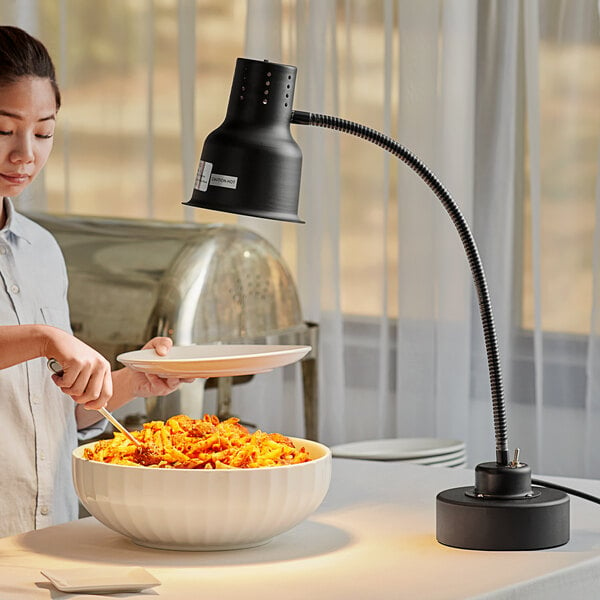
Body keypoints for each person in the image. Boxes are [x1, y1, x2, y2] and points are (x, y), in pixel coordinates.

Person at [0, 25, 191, 537]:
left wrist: (129, 383)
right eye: (3, 130)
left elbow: (51, 414)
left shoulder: (41, 251)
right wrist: (46, 337)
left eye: (43, 133)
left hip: (50, 534)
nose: (25, 154)